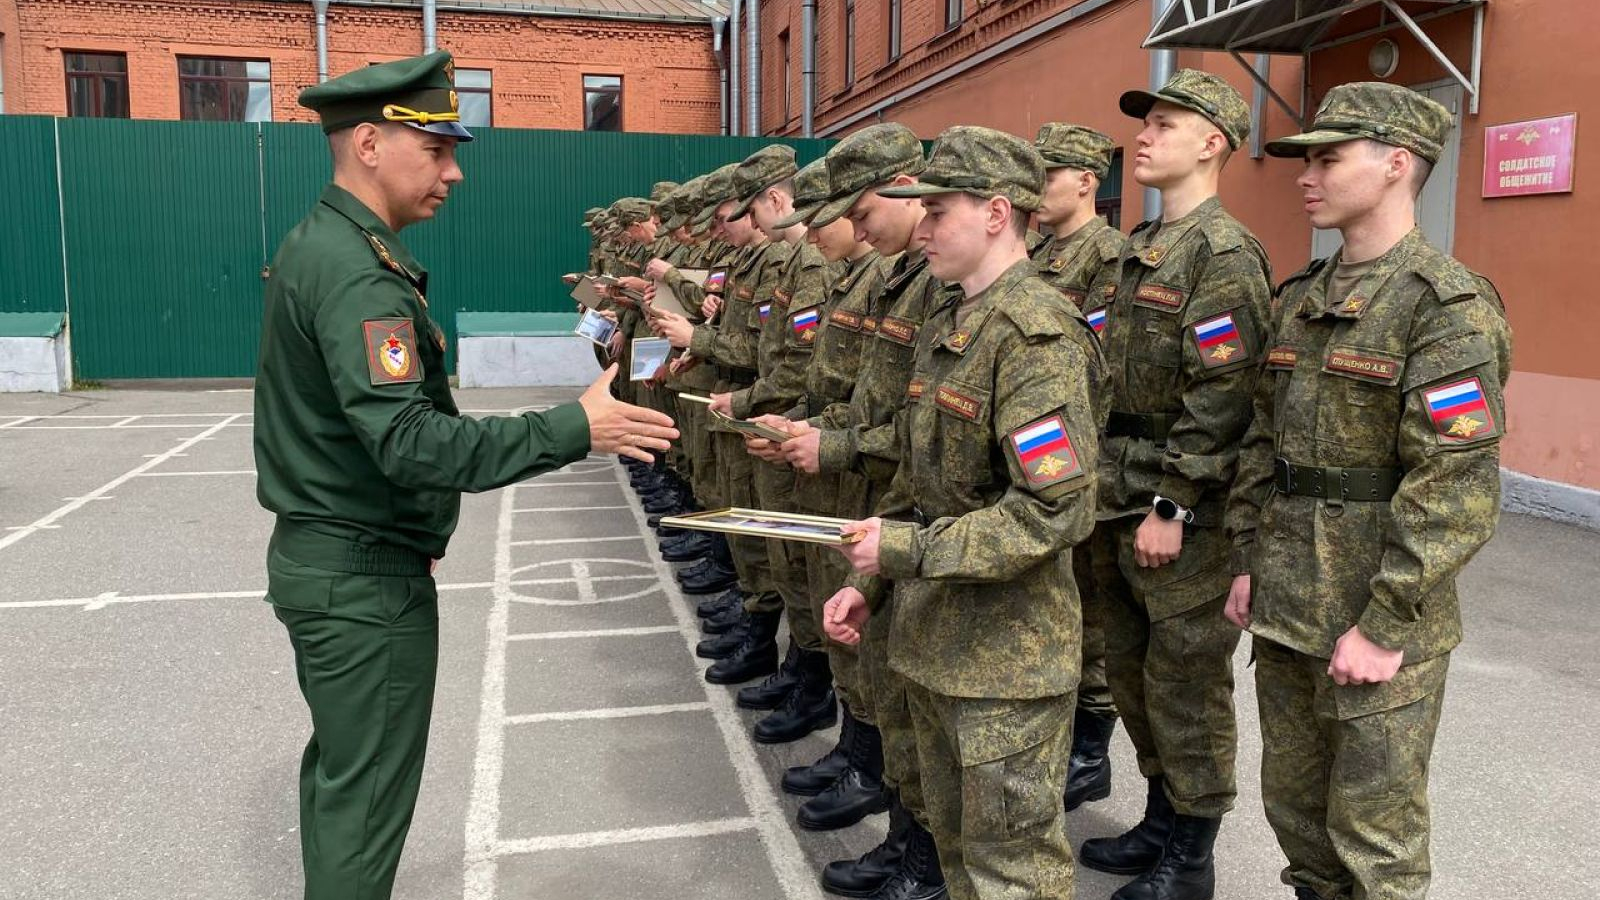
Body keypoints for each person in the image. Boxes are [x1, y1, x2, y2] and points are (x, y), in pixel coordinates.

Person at [253, 51, 676, 900]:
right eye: (438, 149)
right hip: (359, 579)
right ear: (369, 143)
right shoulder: (355, 272)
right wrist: (572, 428)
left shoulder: (330, 246)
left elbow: (359, 436)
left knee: (347, 787)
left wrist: (412, 524)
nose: (454, 172)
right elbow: (408, 441)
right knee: (363, 807)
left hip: (347, 558)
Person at [1227, 82, 1512, 900]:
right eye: (1304, 158)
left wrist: (1385, 624)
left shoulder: (1443, 306)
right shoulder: (1299, 300)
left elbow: (1454, 485)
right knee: (1297, 815)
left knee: (1375, 838)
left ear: (1396, 164)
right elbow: (1261, 441)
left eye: (1328, 157)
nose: (1305, 175)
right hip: (1286, 607)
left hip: (1378, 618)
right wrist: (1248, 561)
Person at [824, 125, 1102, 900]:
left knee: (1010, 870)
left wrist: (905, 553)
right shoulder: (953, 324)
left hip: (1005, 664)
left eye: (939, 209)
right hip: (933, 641)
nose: (925, 225)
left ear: (996, 213)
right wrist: (869, 582)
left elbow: (1053, 512)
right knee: (955, 855)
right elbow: (919, 483)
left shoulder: (1035, 336)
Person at [1079, 68, 1272, 900]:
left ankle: (1190, 861)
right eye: (1144, 122)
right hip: (1114, 494)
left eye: (1165, 122)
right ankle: (1160, 823)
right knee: (1131, 671)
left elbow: (1224, 395)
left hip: (1175, 510)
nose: (1144, 136)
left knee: (1186, 684)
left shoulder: (1223, 254)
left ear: (1214, 142)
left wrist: (1175, 504)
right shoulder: (1138, 250)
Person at [1029, 121, 1128, 813]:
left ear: (1086, 181)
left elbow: (1099, 370)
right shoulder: (1038, 252)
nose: (1036, 191)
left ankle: (1089, 750)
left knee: (1091, 614)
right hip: (1038, 450)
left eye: (1047, 176)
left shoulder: (1108, 257)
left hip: (1083, 455)